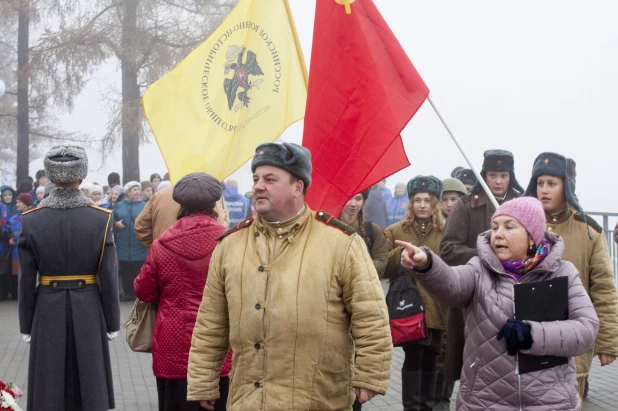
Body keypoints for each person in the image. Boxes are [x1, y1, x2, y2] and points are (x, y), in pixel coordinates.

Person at [187, 142, 392, 410]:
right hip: (249, 401)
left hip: (317, 399)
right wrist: (203, 380)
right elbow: (210, 322)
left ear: (298, 187)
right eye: (256, 179)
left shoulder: (341, 243)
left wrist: (370, 374)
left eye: (270, 179)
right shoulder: (230, 245)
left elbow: (371, 315)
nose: (259, 186)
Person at [397, 197, 599, 410]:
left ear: (532, 236)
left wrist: (533, 334)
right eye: (494, 227)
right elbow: (451, 284)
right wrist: (427, 264)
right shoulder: (479, 269)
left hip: (551, 401)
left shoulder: (563, 273)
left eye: (509, 227)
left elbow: (586, 329)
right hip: (484, 400)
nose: (498, 234)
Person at [18, 145, 120, 411]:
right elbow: (108, 276)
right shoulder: (101, 219)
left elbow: (26, 280)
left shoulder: (31, 220)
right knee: (90, 385)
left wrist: (25, 324)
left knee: (48, 385)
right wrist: (112, 321)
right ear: (81, 176)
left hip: (46, 306)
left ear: (50, 177)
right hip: (88, 304)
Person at [523, 152, 618, 398]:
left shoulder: (590, 233)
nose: (544, 190)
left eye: (552, 184)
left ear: (567, 187)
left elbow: (604, 290)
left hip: (572, 339)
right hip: (527, 337)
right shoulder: (518, 227)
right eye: (540, 183)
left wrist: (607, 342)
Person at [134, 173, 232, 411]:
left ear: (181, 204)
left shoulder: (162, 244)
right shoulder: (230, 241)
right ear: (214, 204)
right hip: (219, 343)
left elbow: (143, 291)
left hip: (172, 345)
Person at [440, 149, 524, 386]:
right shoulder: (466, 206)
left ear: (511, 176)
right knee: (474, 364)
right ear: (484, 175)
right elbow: (448, 249)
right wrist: (487, 256)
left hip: (514, 295)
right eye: (493, 175)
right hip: (475, 294)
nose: (498, 181)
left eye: (504, 175)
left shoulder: (522, 205)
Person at [383, 176, 448, 411]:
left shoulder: (446, 230)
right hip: (408, 309)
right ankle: (410, 408)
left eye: (427, 200)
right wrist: (400, 255)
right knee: (412, 359)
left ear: (435, 203)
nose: (422, 205)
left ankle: (428, 407)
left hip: (438, 307)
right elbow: (381, 268)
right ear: (410, 203)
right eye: (417, 200)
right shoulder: (395, 231)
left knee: (433, 361)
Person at [113, 181, 148, 301]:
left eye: (139, 190)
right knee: (126, 271)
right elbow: (111, 220)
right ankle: (128, 292)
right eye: (134, 190)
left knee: (138, 270)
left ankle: (138, 293)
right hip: (123, 244)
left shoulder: (145, 205)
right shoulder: (119, 205)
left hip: (139, 244)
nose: (138, 192)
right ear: (128, 192)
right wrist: (115, 224)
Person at [340, 190, 388, 277]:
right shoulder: (328, 229)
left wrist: (356, 269)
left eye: (358, 199)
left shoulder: (373, 230)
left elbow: (381, 261)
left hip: (363, 285)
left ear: (363, 201)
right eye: (349, 198)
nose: (353, 204)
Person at [7, 193, 34, 299]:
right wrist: (10, 238)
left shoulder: (32, 217)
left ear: (26, 204)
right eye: (16, 202)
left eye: (19, 202)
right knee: (17, 275)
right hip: (15, 252)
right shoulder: (13, 219)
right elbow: (9, 232)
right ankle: (18, 294)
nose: (17, 204)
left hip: (28, 252)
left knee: (27, 274)